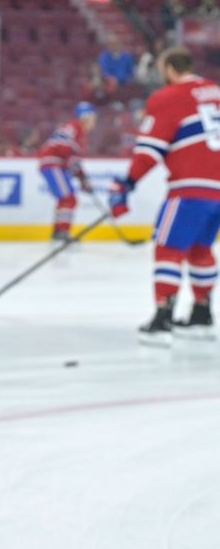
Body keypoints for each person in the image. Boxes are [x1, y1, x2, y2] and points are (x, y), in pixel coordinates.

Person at [109, 46, 220, 345]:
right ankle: (201, 314)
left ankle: (163, 317)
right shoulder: (215, 92)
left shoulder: (169, 97)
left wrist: (126, 184)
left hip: (190, 189)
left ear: (169, 68)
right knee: (200, 249)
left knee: (168, 249)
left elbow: (149, 150)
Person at [38, 101, 98, 241]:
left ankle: (59, 231)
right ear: (85, 117)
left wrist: (82, 177)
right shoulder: (74, 128)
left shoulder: (77, 130)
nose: (94, 121)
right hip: (53, 164)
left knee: (66, 198)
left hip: (55, 164)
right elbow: (66, 152)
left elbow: (72, 158)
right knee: (68, 197)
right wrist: (82, 178)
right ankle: (61, 232)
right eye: (92, 117)